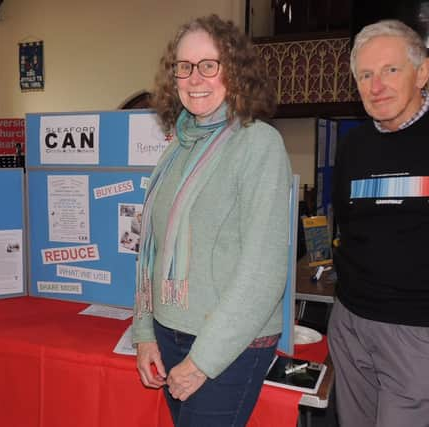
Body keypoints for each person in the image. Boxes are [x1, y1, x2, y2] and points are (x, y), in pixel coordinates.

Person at [131, 14, 292, 427]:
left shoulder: (258, 143)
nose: (194, 78)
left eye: (209, 65)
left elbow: (264, 273)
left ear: (234, 71)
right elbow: (152, 250)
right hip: (170, 333)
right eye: (184, 67)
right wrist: (145, 333)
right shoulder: (177, 148)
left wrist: (203, 360)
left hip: (229, 345)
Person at [329, 19, 429, 427]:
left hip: (422, 332)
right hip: (350, 324)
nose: (376, 85)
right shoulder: (353, 145)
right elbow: (348, 227)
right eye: (365, 75)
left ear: (422, 72)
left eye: (390, 70)